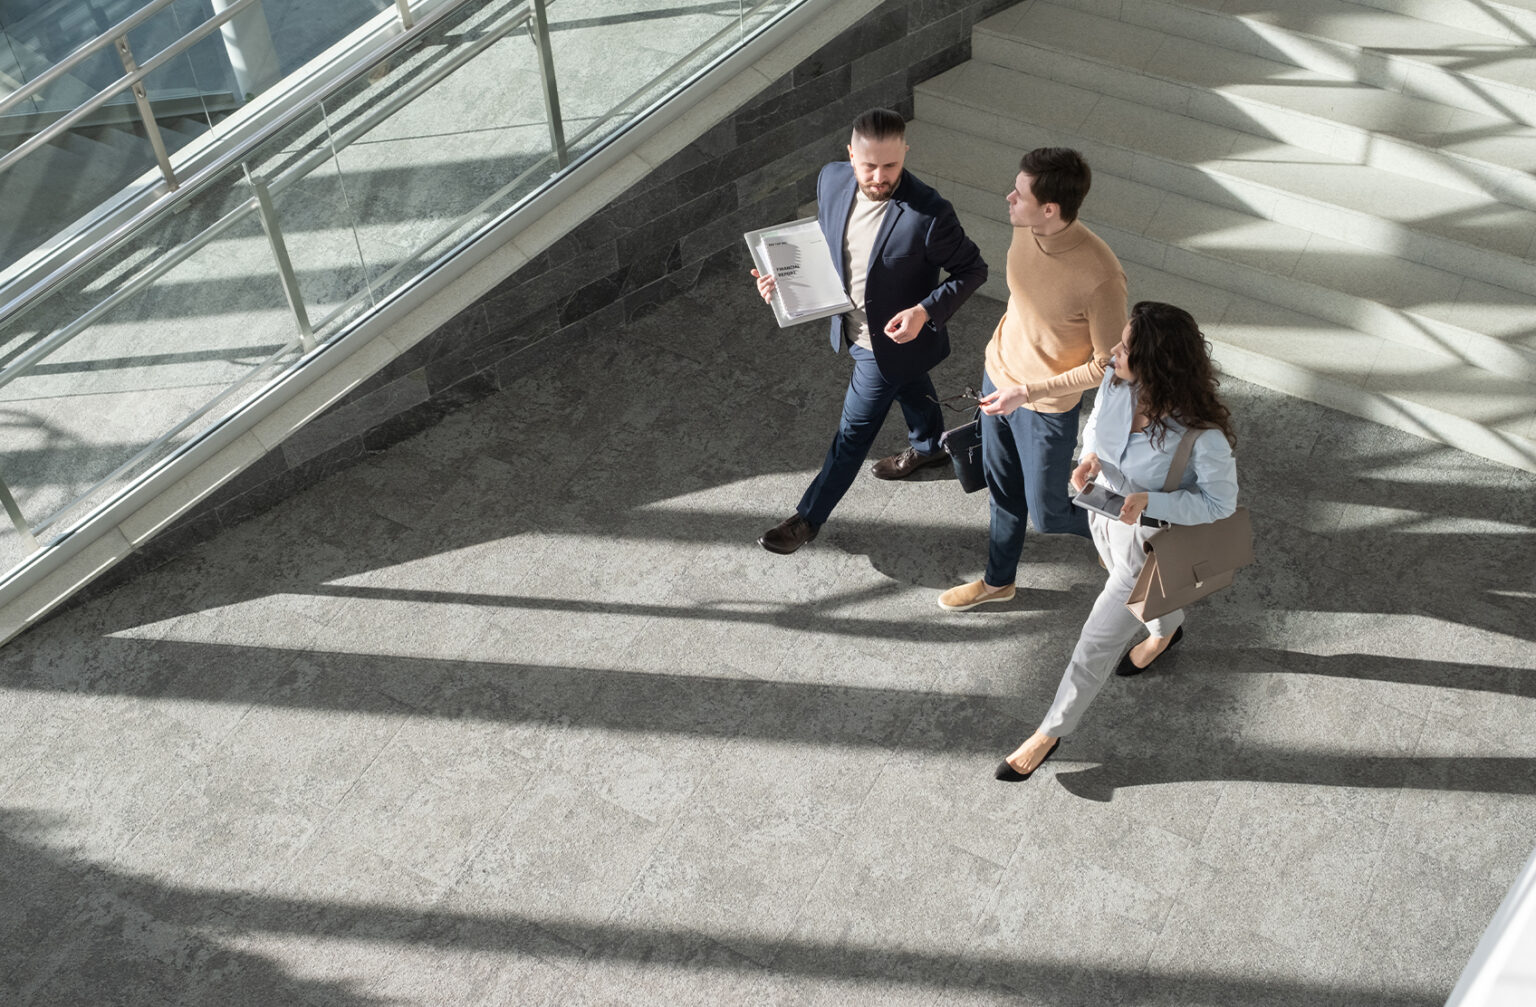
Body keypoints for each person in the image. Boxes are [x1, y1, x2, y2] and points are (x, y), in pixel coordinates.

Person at [995, 301, 1239, 781]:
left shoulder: (1201, 438)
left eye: (1126, 347)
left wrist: (1151, 501)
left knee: (1093, 645)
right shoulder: (1116, 382)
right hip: (1103, 517)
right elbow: (1095, 429)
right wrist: (1089, 459)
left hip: (1149, 540)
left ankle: (1049, 731)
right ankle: (1166, 631)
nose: (1113, 352)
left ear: (1157, 361)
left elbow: (1220, 505)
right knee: (1145, 595)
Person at [751, 108, 987, 554]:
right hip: (869, 333)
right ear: (850, 155)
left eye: (891, 165)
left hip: (884, 345)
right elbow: (824, 244)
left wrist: (923, 310)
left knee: (853, 432)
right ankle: (928, 446)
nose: (879, 177)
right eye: (869, 165)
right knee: (911, 382)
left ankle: (808, 518)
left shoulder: (930, 214)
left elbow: (973, 270)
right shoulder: (831, 179)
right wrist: (780, 283)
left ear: (905, 154)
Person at [937, 148, 1126, 611]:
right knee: (1002, 492)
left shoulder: (1101, 276)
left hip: (1043, 408)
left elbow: (1107, 363)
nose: (1008, 198)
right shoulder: (1024, 226)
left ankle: (1128, 522)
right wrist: (1001, 364)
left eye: (1018, 194)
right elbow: (1025, 303)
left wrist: (1030, 390)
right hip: (995, 382)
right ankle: (998, 581)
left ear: (1050, 209)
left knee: (1050, 513)